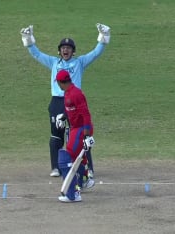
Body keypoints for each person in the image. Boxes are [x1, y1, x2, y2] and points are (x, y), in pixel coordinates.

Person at [20, 23, 111, 178]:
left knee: (81, 135)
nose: (65, 50)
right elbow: (36, 54)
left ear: (73, 51)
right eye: (63, 48)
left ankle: (88, 168)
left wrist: (104, 37)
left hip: (75, 101)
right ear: (59, 50)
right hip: (57, 102)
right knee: (56, 135)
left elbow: (96, 53)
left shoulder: (80, 62)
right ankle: (56, 167)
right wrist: (28, 38)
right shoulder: (54, 62)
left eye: (68, 48)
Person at [55, 70, 95, 202]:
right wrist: (63, 118)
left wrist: (87, 135)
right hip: (74, 129)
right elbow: (72, 111)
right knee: (79, 158)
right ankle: (84, 180)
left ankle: (74, 193)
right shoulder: (67, 93)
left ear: (61, 82)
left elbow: (85, 114)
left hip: (81, 129)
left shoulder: (76, 94)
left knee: (69, 158)